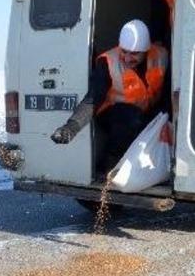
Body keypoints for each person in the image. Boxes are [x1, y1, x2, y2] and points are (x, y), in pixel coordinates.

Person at [51, 19, 169, 172]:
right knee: (130, 117)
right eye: (124, 51)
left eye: (134, 54)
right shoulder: (108, 62)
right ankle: (110, 163)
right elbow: (93, 99)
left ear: (146, 50)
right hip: (113, 114)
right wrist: (71, 128)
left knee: (161, 119)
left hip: (145, 111)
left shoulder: (161, 55)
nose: (127, 58)